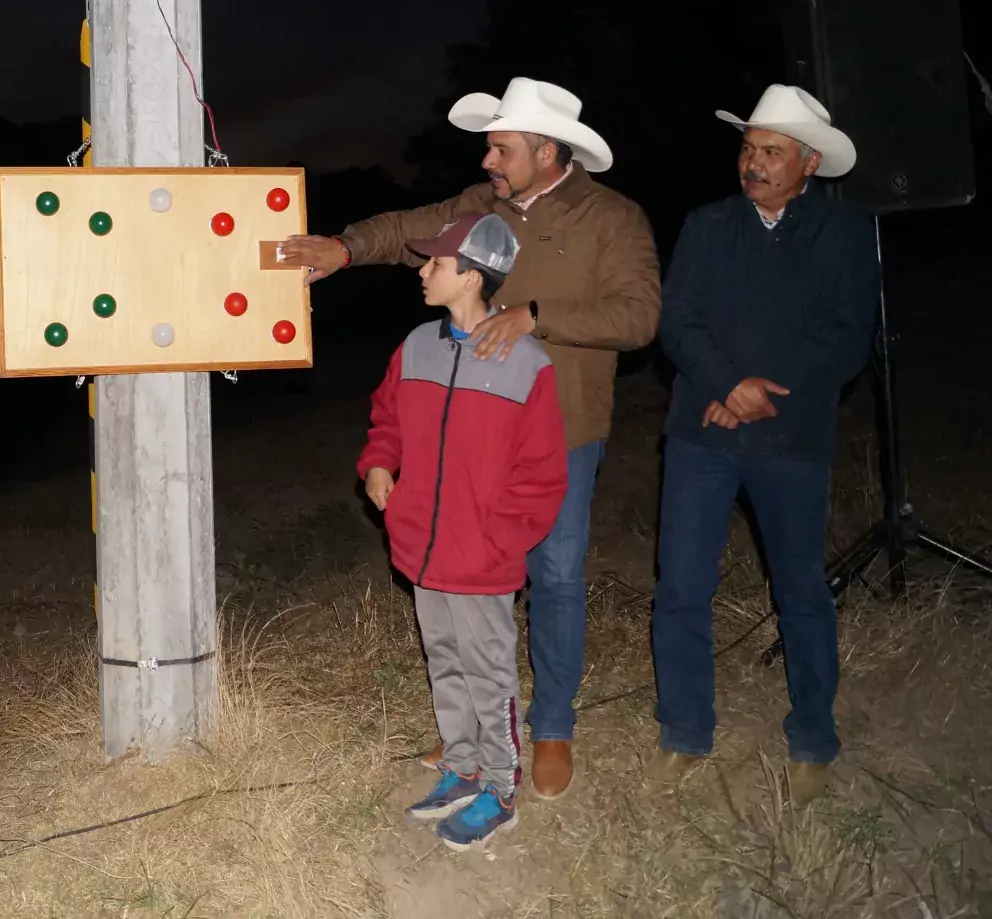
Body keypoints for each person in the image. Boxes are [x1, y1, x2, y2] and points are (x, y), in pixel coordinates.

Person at [284, 77, 660, 798]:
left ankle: (550, 724)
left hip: (562, 426)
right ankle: (476, 729)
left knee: (551, 574)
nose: (488, 158)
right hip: (468, 436)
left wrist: (533, 315)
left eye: (501, 146)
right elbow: (405, 228)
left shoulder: (612, 218)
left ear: (547, 152)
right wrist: (342, 247)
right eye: (490, 146)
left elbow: (639, 315)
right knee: (459, 573)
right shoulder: (478, 206)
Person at [645, 85, 879, 805]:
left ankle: (813, 735)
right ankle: (685, 729)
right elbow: (676, 319)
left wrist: (760, 392)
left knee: (802, 589)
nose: (754, 162)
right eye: (748, 148)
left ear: (808, 163)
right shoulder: (707, 225)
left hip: (791, 438)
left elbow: (846, 336)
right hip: (702, 433)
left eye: (771, 151)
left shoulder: (844, 233)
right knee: (682, 586)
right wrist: (724, 383)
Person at [359, 211, 568, 850]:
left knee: (488, 670)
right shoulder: (416, 345)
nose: (423, 272)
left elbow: (541, 473)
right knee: (444, 660)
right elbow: (386, 416)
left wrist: (498, 539)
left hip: (481, 555)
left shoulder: (525, 363)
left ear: (473, 277)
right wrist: (378, 463)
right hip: (423, 547)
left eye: (436, 264)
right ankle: (463, 765)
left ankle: (502, 788)